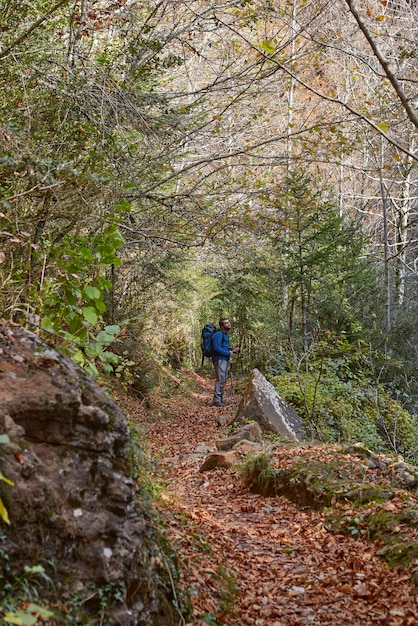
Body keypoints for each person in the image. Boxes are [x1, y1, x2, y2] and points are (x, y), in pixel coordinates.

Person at [211, 317, 239, 407]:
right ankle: (216, 400)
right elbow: (216, 347)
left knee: (223, 378)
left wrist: (232, 350)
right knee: (220, 378)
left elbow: (222, 347)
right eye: (226, 323)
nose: (229, 324)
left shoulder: (225, 335)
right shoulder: (218, 335)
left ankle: (220, 399)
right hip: (219, 359)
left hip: (223, 359)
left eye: (228, 322)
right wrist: (228, 353)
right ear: (222, 325)